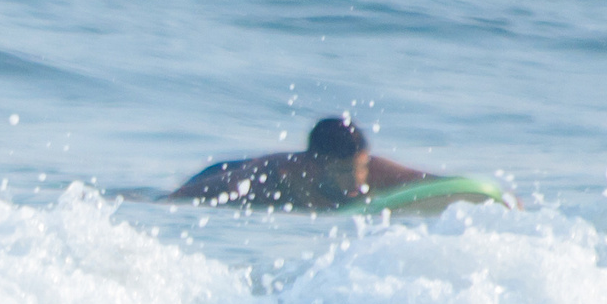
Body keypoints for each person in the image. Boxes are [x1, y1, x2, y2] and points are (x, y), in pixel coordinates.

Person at [169, 116, 434, 210]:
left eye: (362, 168)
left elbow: (424, 181)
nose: (357, 180)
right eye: (344, 171)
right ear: (316, 164)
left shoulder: (371, 170)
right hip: (218, 175)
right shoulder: (275, 173)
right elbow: (184, 196)